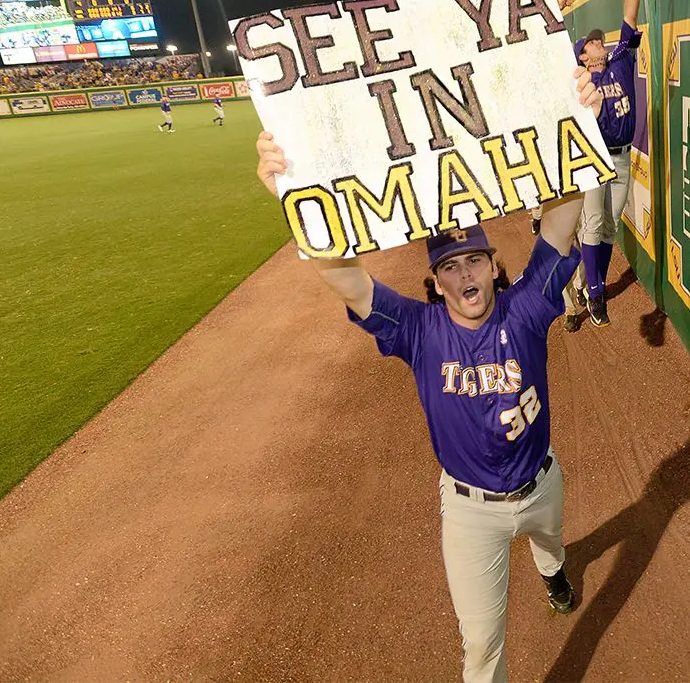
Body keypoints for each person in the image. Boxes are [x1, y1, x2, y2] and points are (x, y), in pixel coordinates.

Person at [256, 68, 603, 683]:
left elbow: (560, 222)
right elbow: (346, 278)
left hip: (542, 484)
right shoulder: (417, 329)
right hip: (471, 512)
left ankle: (553, 574)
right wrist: (293, 189)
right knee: (482, 647)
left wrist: (571, 123)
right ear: (436, 281)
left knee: (552, 547)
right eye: (451, 266)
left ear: (496, 269)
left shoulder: (524, 307)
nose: (465, 275)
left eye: (475, 260)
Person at [571, 0, 644, 327]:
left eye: (600, 40)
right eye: (592, 42)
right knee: (595, 224)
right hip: (594, 158)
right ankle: (596, 293)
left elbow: (629, 19)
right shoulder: (581, 79)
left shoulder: (618, 61)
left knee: (610, 227)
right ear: (583, 55)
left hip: (622, 154)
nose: (600, 42)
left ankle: (588, 283)